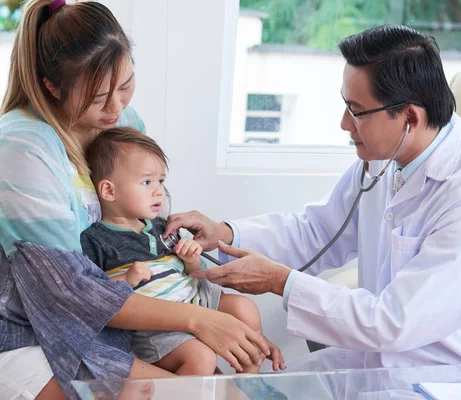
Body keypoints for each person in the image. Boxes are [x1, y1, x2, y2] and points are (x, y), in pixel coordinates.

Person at [164, 25, 461, 372]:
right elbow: (316, 231)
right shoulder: (383, 164)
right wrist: (225, 234)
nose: (344, 124)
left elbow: (394, 321)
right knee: (264, 391)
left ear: (409, 117)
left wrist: (281, 281)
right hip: (381, 361)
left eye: (356, 111)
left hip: (455, 375)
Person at [0, 1, 268, 398]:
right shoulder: (21, 146)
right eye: (97, 98)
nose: (116, 108)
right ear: (51, 86)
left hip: (122, 308)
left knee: (217, 381)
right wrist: (195, 319)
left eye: (124, 86)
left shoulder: (124, 123)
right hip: (33, 326)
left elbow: (148, 214)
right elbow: (68, 292)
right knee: (174, 390)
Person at [81, 127, 285, 377]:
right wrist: (126, 279)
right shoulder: (95, 239)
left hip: (195, 297)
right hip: (157, 324)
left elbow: (192, 273)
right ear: (109, 191)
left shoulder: (162, 227)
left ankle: (247, 382)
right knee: (201, 357)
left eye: (161, 181)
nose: (158, 191)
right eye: (147, 182)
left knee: (244, 307)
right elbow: (95, 296)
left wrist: (191, 260)